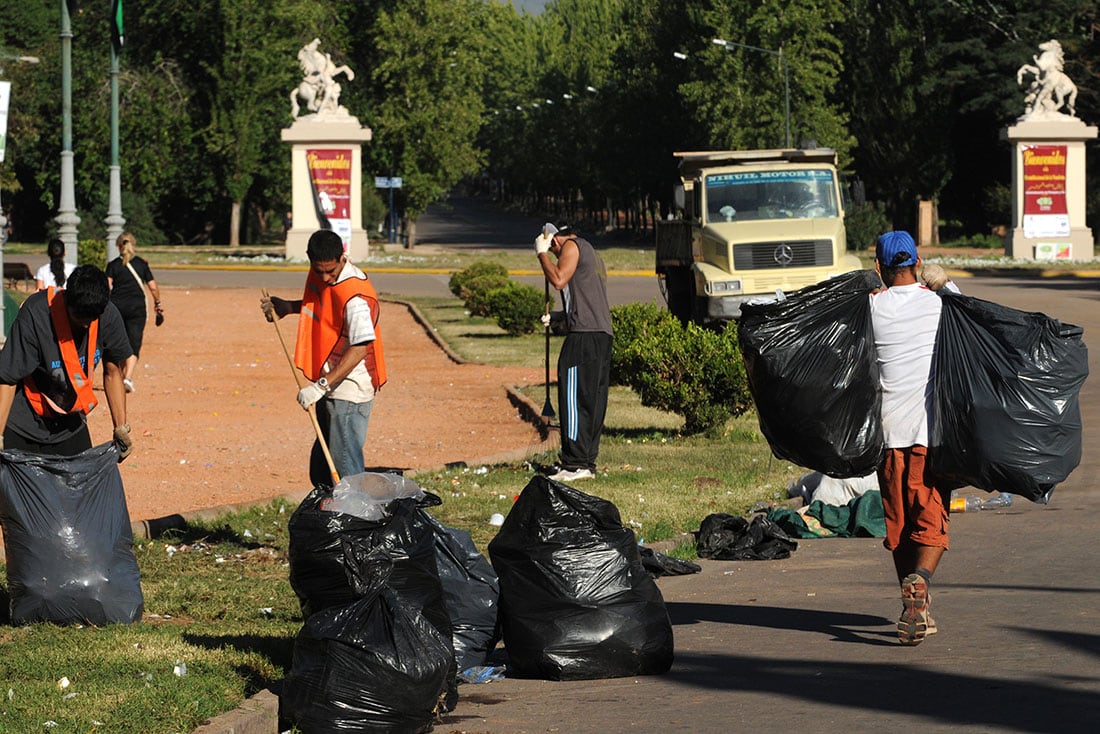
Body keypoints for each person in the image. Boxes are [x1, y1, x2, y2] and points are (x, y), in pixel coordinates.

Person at [869, 231, 959, 646]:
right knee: (931, 520)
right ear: (918, 261)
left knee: (900, 526)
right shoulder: (938, 303)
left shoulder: (870, 307)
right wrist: (941, 281)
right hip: (928, 434)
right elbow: (967, 308)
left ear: (879, 267)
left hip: (886, 436)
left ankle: (915, 601)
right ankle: (920, 583)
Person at [260, 229, 386, 486]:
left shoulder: (357, 297)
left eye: (331, 271)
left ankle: (357, 520)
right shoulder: (323, 274)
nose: (326, 278)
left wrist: (321, 386)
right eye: (319, 271)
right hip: (329, 385)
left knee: (346, 469)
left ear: (343, 258)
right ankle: (326, 518)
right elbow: (324, 307)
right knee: (321, 468)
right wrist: (289, 307)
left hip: (350, 391)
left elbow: (360, 348)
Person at [0, 265, 134, 461]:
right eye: (79, 319)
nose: (86, 325)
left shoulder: (107, 316)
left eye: (91, 319)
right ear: (66, 302)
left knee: (80, 487)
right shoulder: (37, 313)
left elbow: (113, 373)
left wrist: (120, 428)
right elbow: (8, 376)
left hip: (69, 424)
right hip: (23, 422)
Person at [535, 222, 613, 482]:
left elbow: (558, 279)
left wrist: (541, 255)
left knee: (574, 397)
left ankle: (574, 463)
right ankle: (585, 463)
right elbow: (583, 300)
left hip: (584, 338)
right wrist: (558, 317)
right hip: (599, 334)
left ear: (555, 239)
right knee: (591, 401)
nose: (556, 254)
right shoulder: (590, 251)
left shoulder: (571, 246)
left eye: (552, 247)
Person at [106, 231, 164, 394]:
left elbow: (106, 285)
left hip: (116, 307)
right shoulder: (141, 264)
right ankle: (127, 377)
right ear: (134, 245)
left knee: (118, 341)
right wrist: (157, 303)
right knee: (134, 342)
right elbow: (152, 286)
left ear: (118, 247)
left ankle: (118, 376)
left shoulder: (113, 265)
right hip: (137, 308)